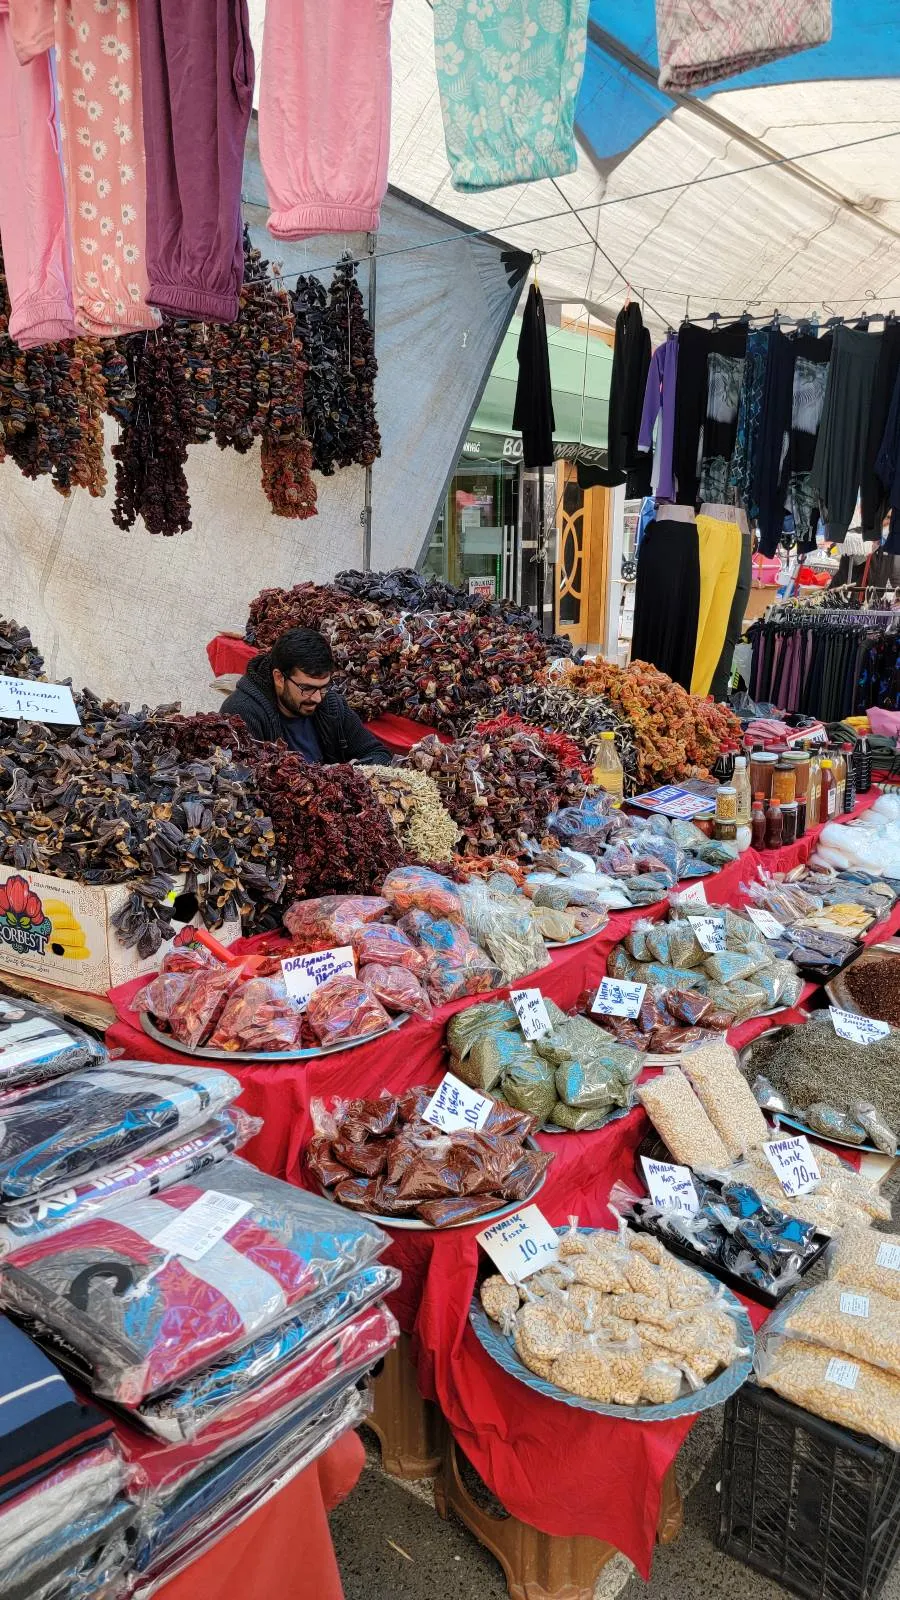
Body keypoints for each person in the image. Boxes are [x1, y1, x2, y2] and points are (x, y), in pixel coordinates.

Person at [222, 627, 391, 765]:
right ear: (279, 677)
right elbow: (242, 781)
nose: (317, 698)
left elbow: (379, 754)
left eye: (323, 687)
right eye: (307, 688)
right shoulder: (241, 713)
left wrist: (348, 774)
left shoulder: (330, 704)